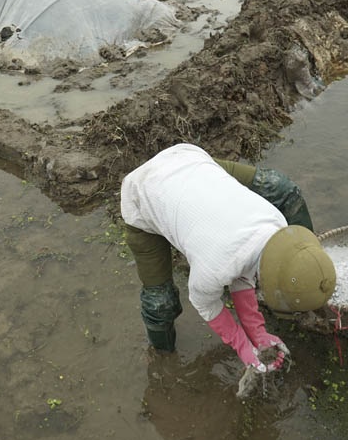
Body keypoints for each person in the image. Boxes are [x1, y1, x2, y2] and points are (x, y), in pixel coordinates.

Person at [120, 143, 336, 373]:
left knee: (234, 259)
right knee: (161, 303)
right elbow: (204, 303)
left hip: (192, 173)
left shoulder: (278, 225)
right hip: (144, 191)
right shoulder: (216, 268)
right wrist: (240, 344)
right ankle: (162, 360)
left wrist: (257, 332)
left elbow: (246, 266)